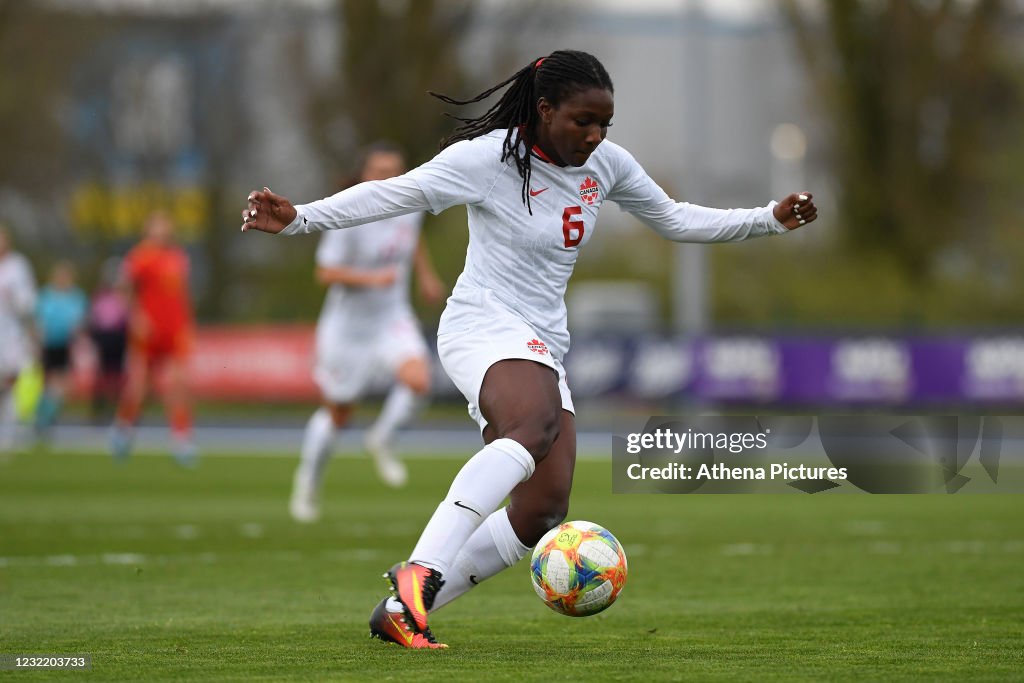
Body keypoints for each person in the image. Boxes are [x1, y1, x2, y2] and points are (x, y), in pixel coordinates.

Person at [240, 50, 818, 649]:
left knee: (544, 507)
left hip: (541, 340)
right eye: (581, 122)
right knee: (533, 423)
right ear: (544, 110)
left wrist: (768, 219)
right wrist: (302, 217)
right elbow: (395, 194)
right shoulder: (488, 159)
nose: (594, 137)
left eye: (604, 125)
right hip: (481, 323)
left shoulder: (608, 165)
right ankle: (420, 570)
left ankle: (400, 611)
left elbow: (674, 219)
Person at [289, 142, 446, 523]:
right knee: (339, 413)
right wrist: (371, 278)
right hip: (348, 329)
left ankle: (382, 438)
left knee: (420, 380)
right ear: (364, 175)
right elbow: (324, 272)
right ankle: (308, 479)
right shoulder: (350, 213)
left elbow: (413, 239)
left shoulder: (408, 203)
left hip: (391, 318)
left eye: (395, 171)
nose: (389, 179)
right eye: (380, 172)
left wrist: (426, 275)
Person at [110, 210, 197, 467]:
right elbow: (123, 290)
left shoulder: (178, 257)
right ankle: (123, 430)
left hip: (175, 330)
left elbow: (181, 295)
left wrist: (187, 324)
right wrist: (136, 317)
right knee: (141, 386)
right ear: (148, 229)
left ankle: (181, 439)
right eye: (157, 226)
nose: (162, 230)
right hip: (148, 331)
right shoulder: (140, 257)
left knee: (179, 385)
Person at [33, 260, 88, 440]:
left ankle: (46, 418)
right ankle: (42, 417)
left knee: (60, 383)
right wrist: (37, 343)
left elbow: (80, 322)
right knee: (46, 383)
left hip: (66, 345)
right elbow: (38, 320)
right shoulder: (46, 295)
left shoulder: (76, 297)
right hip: (48, 344)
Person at [0, 225, 38, 456]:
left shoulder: (17, 266)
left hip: (12, 334)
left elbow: (28, 302)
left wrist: (15, 299)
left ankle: (16, 425)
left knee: (21, 376)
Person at [87, 257, 129, 423]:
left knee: (119, 375)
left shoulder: (124, 296)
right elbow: (94, 318)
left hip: (119, 336)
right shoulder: (101, 296)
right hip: (104, 337)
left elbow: (127, 317)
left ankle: (119, 410)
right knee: (102, 374)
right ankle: (99, 409)